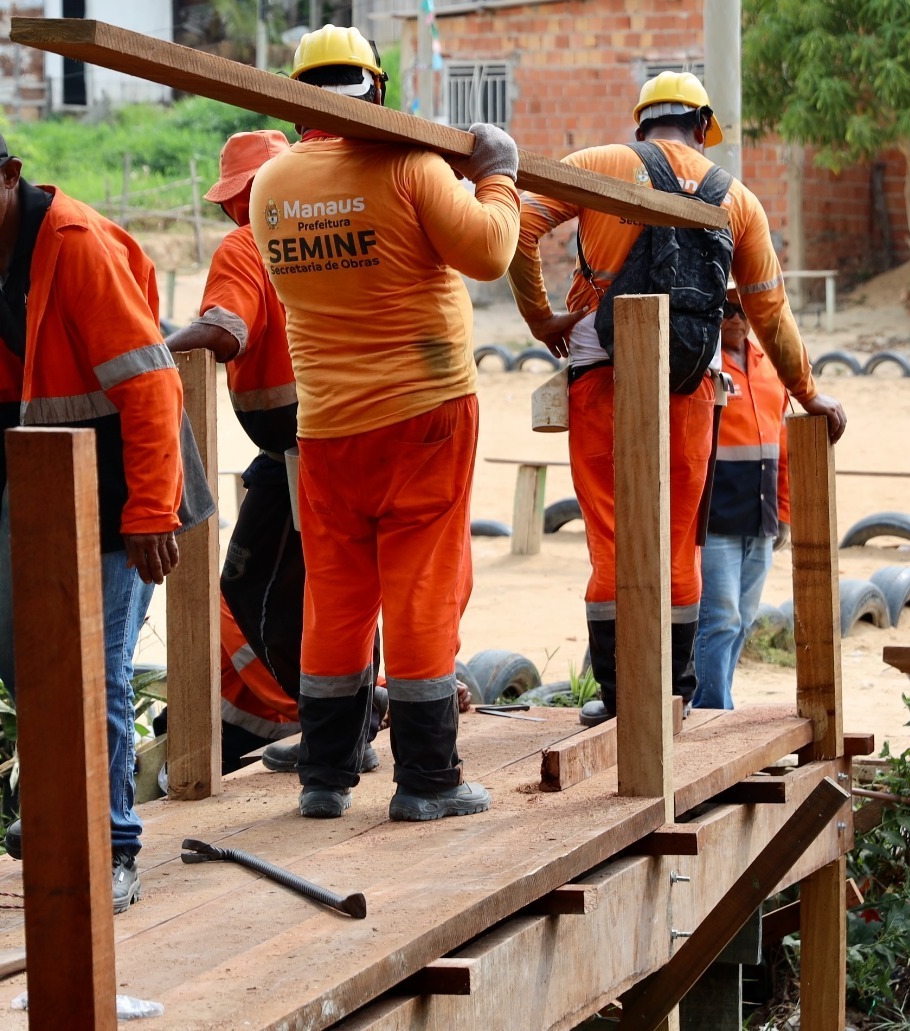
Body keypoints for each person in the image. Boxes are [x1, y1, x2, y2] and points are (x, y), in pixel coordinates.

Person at [0, 112, 211, 914]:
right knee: (14, 648)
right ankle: (55, 799)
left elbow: (151, 384)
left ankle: (110, 846)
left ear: (9, 173)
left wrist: (153, 508)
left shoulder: (77, 245)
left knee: (96, 666)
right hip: (47, 483)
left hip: (126, 487)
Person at [507, 70, 845, 727]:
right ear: (701, 126)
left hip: (601, 376)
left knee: (611, 535)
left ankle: (619, 696)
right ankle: (676, 692)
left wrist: (541, 318)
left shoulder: (601, 164)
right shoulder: (736, 199)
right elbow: (770, 313)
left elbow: (520, 224)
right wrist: (811, 393)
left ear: (643, 124)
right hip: (691, 381)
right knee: (678, 539)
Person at [249, 25, 520, 820]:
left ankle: (325, 775)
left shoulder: (270, 186)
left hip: (327, 425)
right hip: (422, 415)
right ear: (377, 90)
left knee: (334, 596)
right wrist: (498, 175)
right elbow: (491, 251)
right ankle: (428, 779)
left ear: (299, 103)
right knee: (422, 589)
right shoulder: (408, 165)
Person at [167, 129, 388, 774]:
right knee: (332, 585)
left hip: (303, 444)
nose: (236, 213)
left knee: (283, 597)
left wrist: (155, 351)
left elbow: (226, 331)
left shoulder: (246, 243)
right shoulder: (331, 228)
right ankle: (341, 725)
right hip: (349, 431)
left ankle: (338, 735)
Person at [692, 286, 790, 709]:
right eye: (725, 309)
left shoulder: (771, 368)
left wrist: (783, 511)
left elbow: (783, 447)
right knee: (720, 619)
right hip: (716, 518)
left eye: (742, 310)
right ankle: (714, 711)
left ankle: (715, 703)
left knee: (743, 619)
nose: (734, 318)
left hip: (761, 517)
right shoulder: (699, 369)